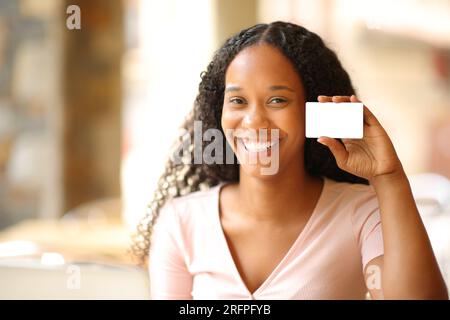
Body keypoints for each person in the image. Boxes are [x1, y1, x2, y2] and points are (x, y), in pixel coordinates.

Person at [132, 21, 448, 300]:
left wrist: (389, 178)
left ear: (313, 112)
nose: (254, 121)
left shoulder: (361, 212)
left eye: (278, 100)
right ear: (219, 112)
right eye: (238, 101)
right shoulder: (181, 221)